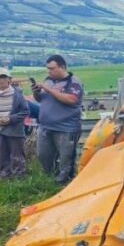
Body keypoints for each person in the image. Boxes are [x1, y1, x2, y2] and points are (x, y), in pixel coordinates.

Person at [32, 54, 84, 183]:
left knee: (66, 159)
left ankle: (66, 183)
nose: (50, 71)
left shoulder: (74, 82)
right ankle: (50, 181)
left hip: (66, 129)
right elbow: (41, 99)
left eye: (52, 68)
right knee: (43, 156)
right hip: (45, 126)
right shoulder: (48, 80)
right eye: (48, 69)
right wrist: (36, 92)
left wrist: (48, 89)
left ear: (62, 67)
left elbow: (71, 100)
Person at [0, 70, 30, 178]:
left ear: (9, 79)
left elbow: (25, 111)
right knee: (1, 156)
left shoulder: (18, 95)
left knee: (17, 156)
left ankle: (19, 178)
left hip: (15, 131)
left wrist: (11, 119)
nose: (1, 80)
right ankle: (5, 178)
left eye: (4, 77)